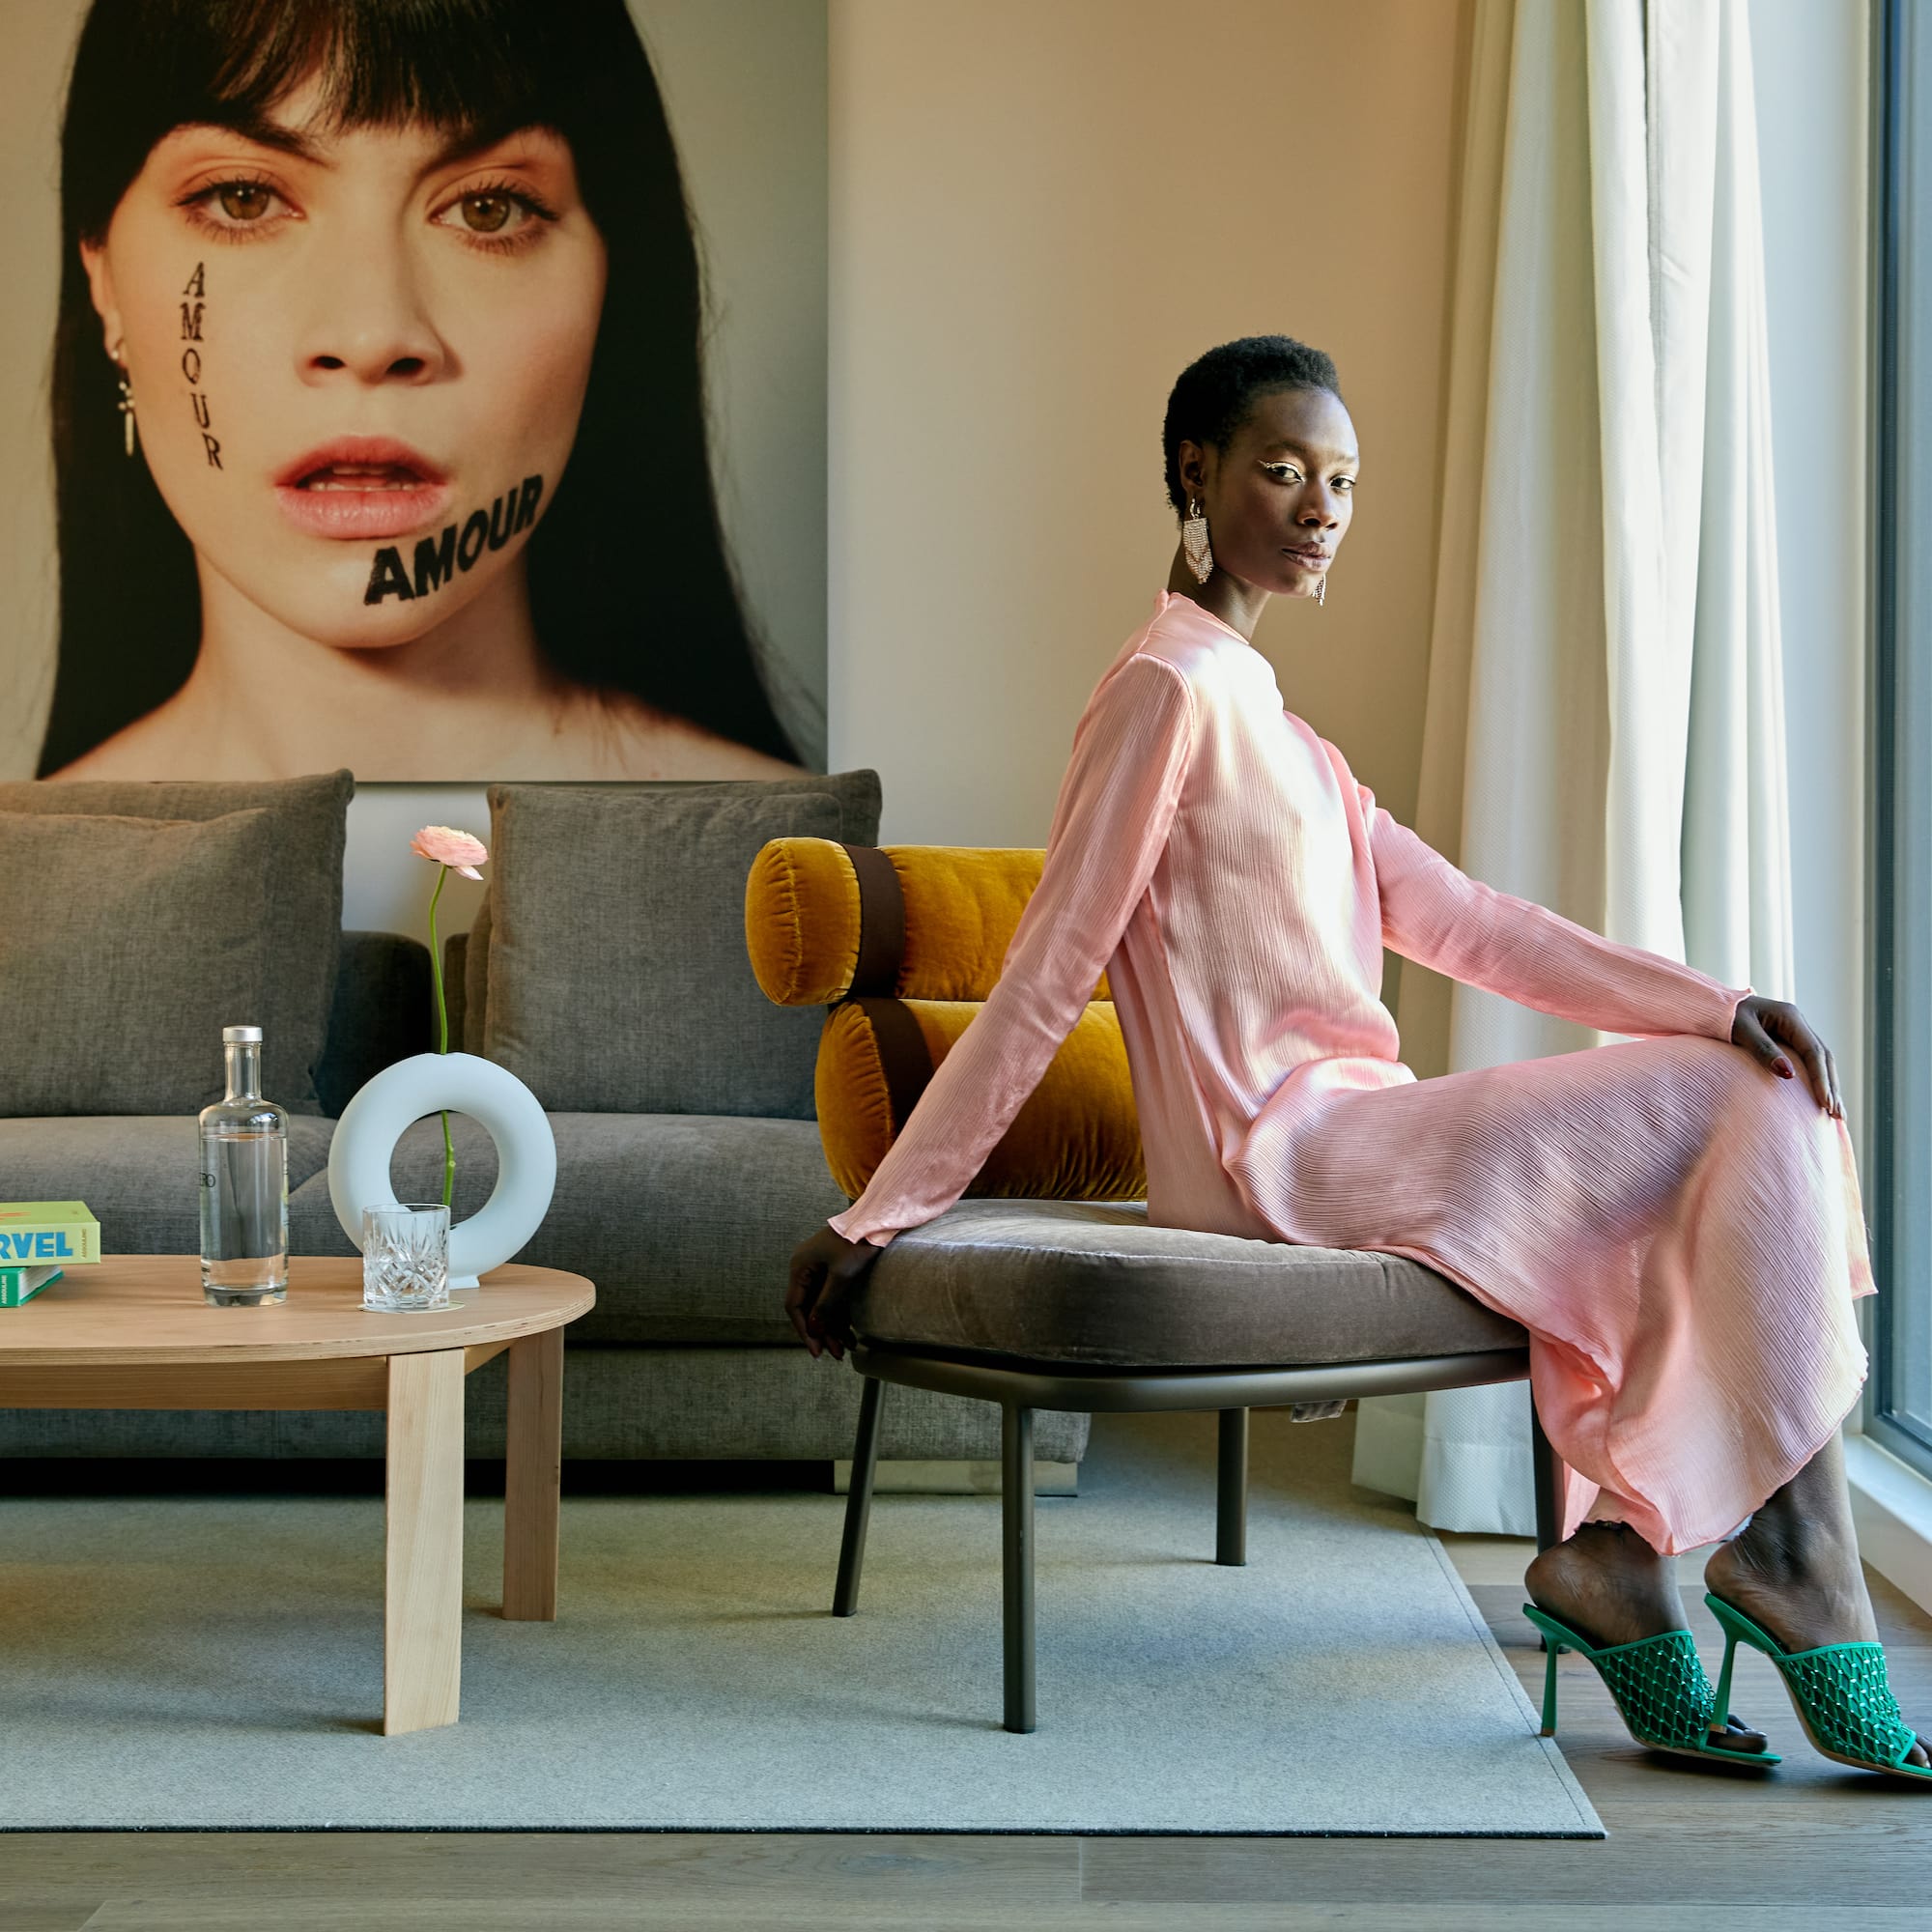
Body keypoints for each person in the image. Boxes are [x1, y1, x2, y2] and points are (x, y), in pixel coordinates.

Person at [785, 334, 1929, 1781]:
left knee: (1748, 1079)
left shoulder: (1287, 734)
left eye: (1342, 480)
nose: (1320, 505)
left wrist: (1712, 1000)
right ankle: (1782, 1553)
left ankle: (1643, 1561)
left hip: (1365, 1132)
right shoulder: (1164, 693)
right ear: (1195, 474)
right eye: (1282, 469)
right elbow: (1050, 969)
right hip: (1287, 1161)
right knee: (1731, 1100)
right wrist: (880, 1207)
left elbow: (1470, 925)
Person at [37, 0, 808, 781]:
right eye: (243, 197)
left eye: (487, 208)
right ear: (102, 279)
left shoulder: (807, 880)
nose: (373, 337)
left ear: (612, 285)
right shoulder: (24, 891)